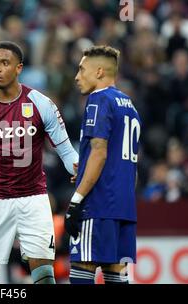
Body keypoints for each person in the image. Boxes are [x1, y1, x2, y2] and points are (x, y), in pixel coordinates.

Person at [0, 41, 79, 284]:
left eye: (4, 63)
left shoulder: (41, 103)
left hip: (33, 201)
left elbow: (65, 149)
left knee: (44, 277)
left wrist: (79, 169)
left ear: (19, 68)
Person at [65, 45, 141, 284]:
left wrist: (77, 200)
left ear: (99, 72)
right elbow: (128, 164)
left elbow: (99, 152)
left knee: (82, 265)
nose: (77, 77)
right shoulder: (130, 105)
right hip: (123, 205)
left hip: (98, 204)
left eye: (82, 69)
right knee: (115, 271)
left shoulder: (98, 99)